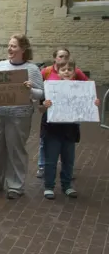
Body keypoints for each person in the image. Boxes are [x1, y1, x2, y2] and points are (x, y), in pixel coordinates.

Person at [0, 34, 44, 199]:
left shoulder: (32, 69)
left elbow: (41, 93)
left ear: (23, 49)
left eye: (13, 46)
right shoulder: (1, 66)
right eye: (9, 45)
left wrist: (30, 90)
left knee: (15, 149)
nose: (9, 49)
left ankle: (15, 185)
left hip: (19, 116)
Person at [40, 59, 99, 199]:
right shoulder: (50, 88)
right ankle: (49, 186)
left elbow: (88, 105)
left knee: (69, 160)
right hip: (52, 130)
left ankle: (67, 185)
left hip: (70, 130)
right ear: (58, 72)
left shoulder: (80, 89)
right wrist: (45, 105)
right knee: (51, 160)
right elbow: (40, 109)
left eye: (69, 69)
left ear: (74, 73)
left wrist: (94, 102)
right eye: (63, 69)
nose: (66, 71)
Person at [36, 48, 89, 178]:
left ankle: (67, 170)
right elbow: (39, 88)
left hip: (70, 116)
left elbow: (87, 86)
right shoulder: (46, 71)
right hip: (51, 114)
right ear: (55, 58)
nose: (63, 59)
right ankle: (43, 167)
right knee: (45, 142)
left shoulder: (74, 70)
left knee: (68, 144)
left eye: (66, 56)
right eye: (60, 56)